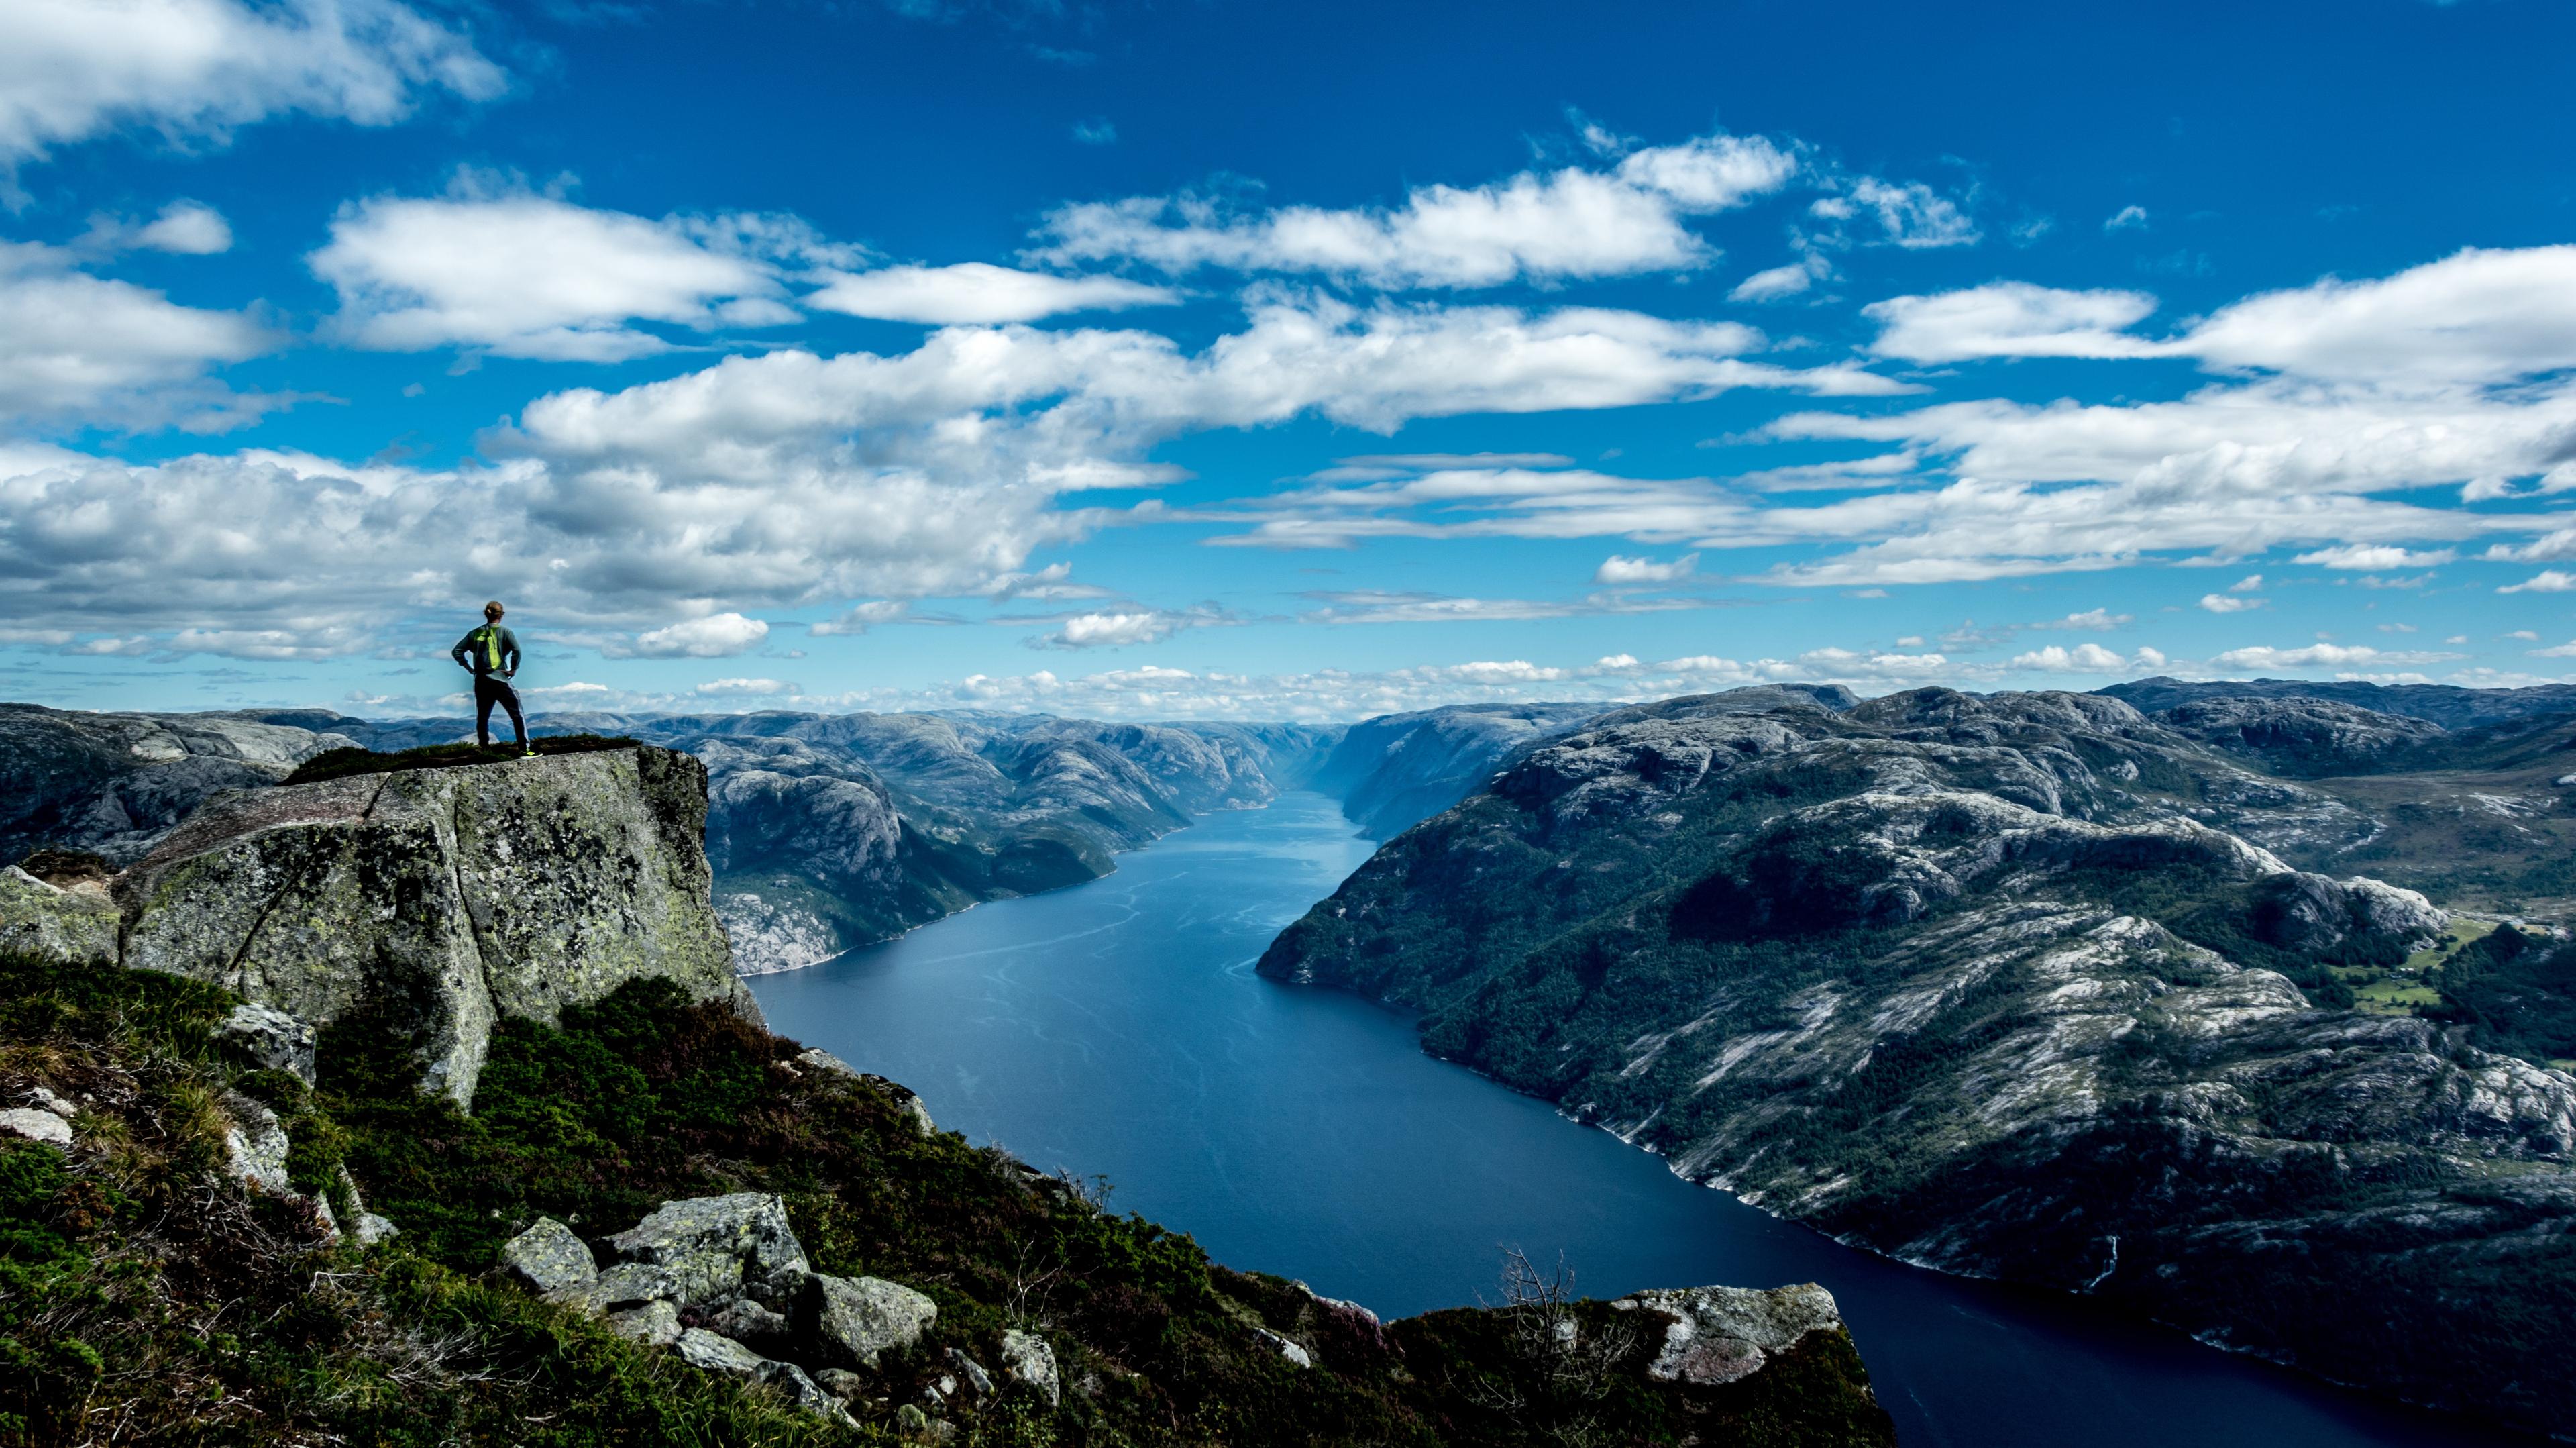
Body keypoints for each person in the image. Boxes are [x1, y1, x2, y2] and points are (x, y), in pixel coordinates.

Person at [451, 601, 533, 755]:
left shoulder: (475, 633)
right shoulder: (505, 632)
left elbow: (457, 651)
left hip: (481, 680)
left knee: (483, 716)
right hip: (499, 679)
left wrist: (469, 668)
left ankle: (484, 748)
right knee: (517, 714)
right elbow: (517, 651)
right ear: (501, 615)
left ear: (486, 614)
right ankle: (525, 749)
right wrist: (513, 669)